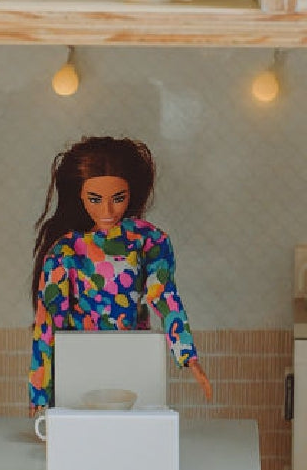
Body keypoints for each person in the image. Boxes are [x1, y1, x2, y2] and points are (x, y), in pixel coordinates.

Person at [29, 135, 212, 411]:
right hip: (80, 357)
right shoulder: (66, 250)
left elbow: (163, 293)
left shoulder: (148, 240)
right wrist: (40, 392)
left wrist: (187, 354)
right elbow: (49, 321)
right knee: (84, 426)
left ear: (130, 194)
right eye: (95, 199)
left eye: (118, 198)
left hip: (134, 353)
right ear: (80, 195)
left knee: (133, 422)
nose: (107, 210)